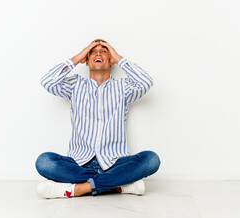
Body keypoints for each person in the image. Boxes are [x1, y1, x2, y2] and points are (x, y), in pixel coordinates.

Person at [35, 39, 160, 199]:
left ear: (111, 60)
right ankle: (117, 185)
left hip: (115, 163)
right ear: (86, 61)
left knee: (151, 159)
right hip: (79, 163)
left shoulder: (123, 88)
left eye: (104, 51)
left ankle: (77, 189)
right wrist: (78, 57)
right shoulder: (75, 85)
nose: (99, 53)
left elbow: (146, 81)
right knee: (44, 161)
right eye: (93, 51)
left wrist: (119, 58)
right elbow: (47, 81)